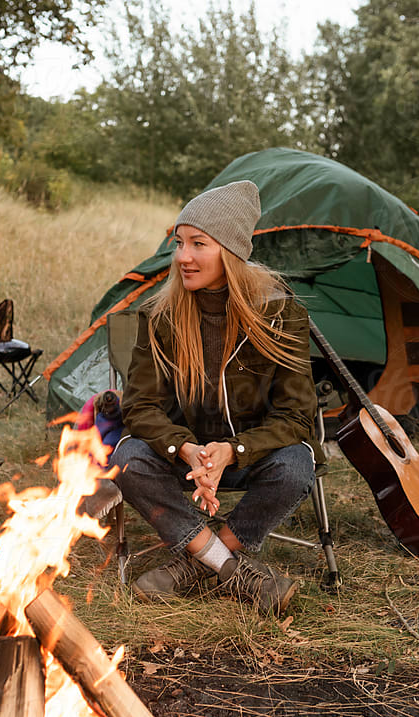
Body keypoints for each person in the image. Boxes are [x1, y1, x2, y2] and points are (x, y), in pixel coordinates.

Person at [109, 180, 325, 616]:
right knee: (127, 458)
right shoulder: (160, 315)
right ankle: (230, 568)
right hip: (183, 460)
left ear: (230, 251)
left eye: (198, 244)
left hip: (252, 458)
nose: (182, 257)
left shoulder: (281, 314)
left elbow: (297, 414)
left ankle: (196, 563)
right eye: (179, 243)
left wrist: (234, 451)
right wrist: (186, 449)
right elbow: (140, 407)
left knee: (297, 464)